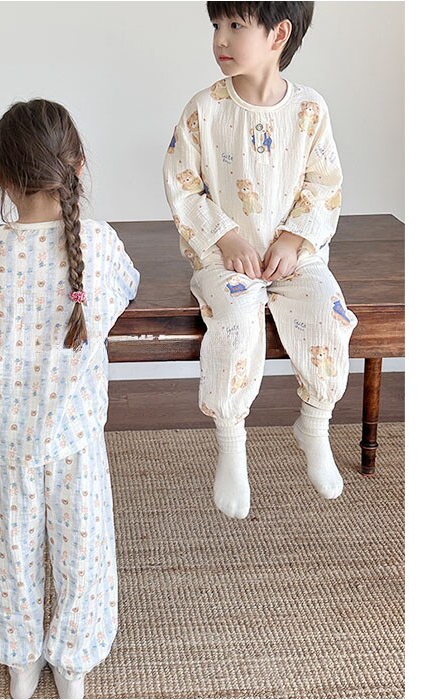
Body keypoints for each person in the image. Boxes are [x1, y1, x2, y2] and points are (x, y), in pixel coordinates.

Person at [0, 99, 139, 699]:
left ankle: (19, 663)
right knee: (85, 550)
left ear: (0, 176)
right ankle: (73, 666)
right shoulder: (99, 244)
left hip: (6, 439)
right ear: (78, 165)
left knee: (7, 554)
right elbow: (126, 288)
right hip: (75, 436)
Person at [162, 1, 357, 520]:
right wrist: (226, 239)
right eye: (216, 25)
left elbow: (325, 185)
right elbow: (183, 185)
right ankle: (231, 443)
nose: (220, 39)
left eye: (235, 25)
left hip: (298, 257)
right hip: (223, 259)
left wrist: (293, 241)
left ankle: (314, 424)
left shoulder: (309, 110)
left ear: (279, 34)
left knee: (329, 313)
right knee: (236, 319)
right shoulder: (205, 109)